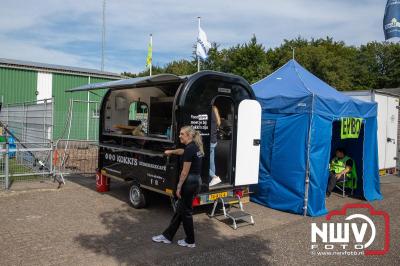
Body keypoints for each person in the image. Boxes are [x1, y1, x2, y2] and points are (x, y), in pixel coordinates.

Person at [152, 126, 204, 248]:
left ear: (189, 136)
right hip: (196, 181)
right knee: (180, 212)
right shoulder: (194, 147)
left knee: (185, 213)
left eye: (182, 134)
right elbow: (182, 151)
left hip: (189, 182)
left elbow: (184, 172)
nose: (179, 136)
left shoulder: (190, 149)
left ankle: (190, 241)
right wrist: (171, 151)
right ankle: (167, 236)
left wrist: (179, 187)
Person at [209, 105, 221, 186]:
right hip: (214, 141)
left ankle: (214, 177)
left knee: (203, 162)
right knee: (211, 162)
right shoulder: (216, 117)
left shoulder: (209, 114)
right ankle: (212, 180)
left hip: (209, 142)